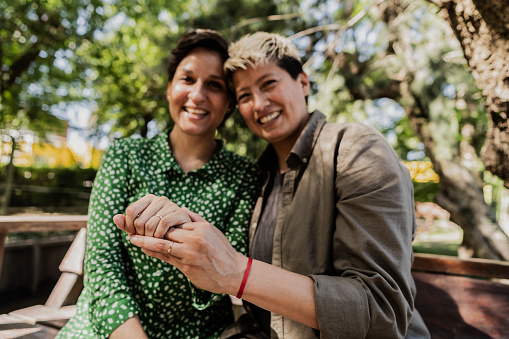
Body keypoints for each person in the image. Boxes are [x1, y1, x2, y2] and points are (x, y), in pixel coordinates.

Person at [118, 32, 430, 338]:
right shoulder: (258, 177)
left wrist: (237, 272)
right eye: (244, 96)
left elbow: (381, 311)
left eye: (268, 84)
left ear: (303, 82)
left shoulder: (356, 150)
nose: (259, 103)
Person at [56, 29, 260, 339]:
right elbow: (101, 263)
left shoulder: (244, 174)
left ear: (229, 104)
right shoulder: (125, 155)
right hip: (107, 328)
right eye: (187, 79)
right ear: (169, 88)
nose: (197, 95)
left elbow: (223, 277)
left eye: (214, 85)